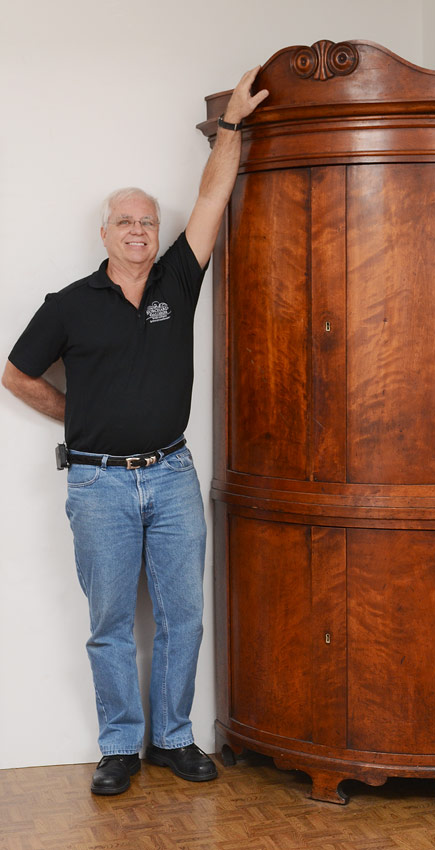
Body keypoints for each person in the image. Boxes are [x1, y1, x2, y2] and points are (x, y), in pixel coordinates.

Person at [2, 67, 268, 796]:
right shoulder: (68, 304)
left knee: (184, 617)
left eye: (148, 221)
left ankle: (172, 738)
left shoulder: (178, 282)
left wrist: (232, 125)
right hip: (96, 482)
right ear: (105, 233)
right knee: (111, 622)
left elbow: (213, 195)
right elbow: (16, 375)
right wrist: (76, 418)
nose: (140, 231)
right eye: (127, 221)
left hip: (172, 475)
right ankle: (120, 745)